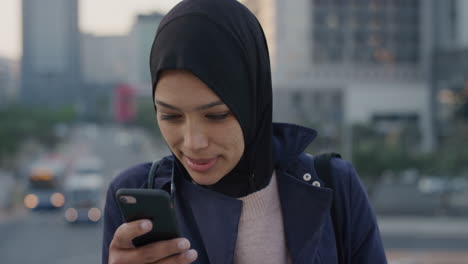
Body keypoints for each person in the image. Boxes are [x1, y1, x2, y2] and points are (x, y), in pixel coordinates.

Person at [102, 0, 388, 263]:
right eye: (170, 116)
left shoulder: (336, 185)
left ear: (253, 102)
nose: (193, 142)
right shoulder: (137, 194)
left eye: (216, 115)